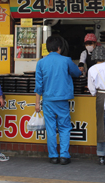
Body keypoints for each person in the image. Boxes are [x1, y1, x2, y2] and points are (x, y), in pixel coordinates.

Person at [35, 35, 82, 165]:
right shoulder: (66, 60)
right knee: (64, 127)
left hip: (48, 99)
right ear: (59, 47)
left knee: (50, 127)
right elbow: (77, 73)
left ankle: (53, 156)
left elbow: (38, 85)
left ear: (47, 48)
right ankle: (64, 156)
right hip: (62, 99)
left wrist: (37, 102)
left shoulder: (41, 62)